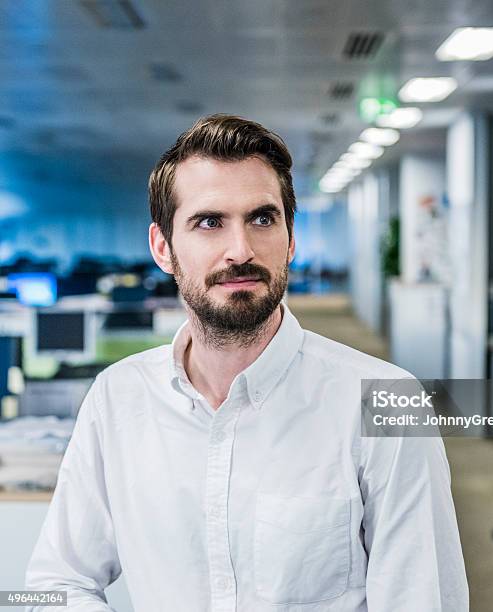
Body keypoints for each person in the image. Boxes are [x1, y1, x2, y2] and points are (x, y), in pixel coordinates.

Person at [25, 114, 469, 611]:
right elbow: (56, 583)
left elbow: (424, 600)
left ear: (291, 239)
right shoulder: (118, 398)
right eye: (209, 222)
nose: (241, 250)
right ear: (162, 248)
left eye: (262, 218)